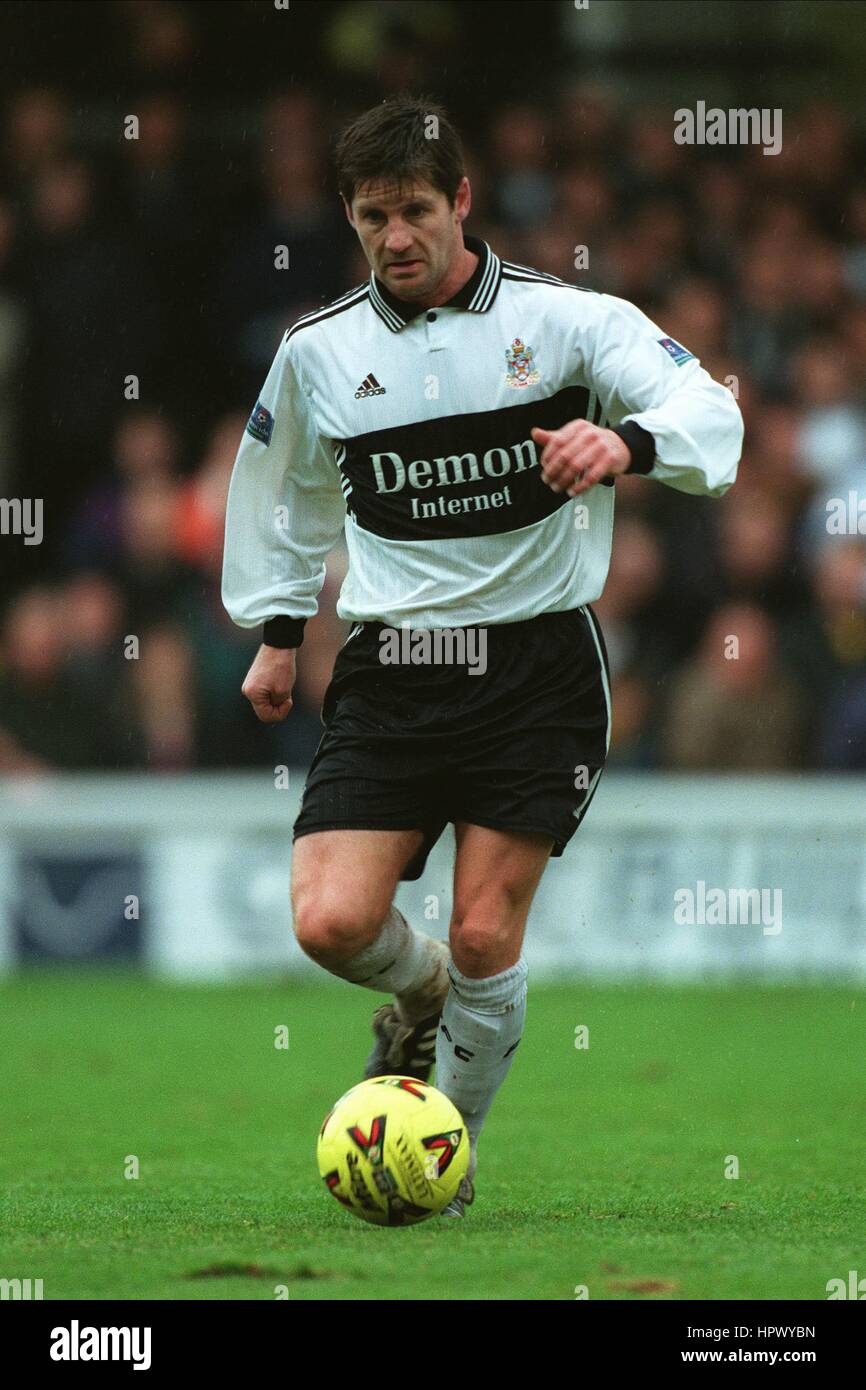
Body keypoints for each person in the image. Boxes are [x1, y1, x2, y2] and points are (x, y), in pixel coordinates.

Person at [221, 97, 743, 1218]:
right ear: (350, 219)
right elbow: (285, 494)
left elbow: (708, 409)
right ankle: (421, 1000)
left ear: (460, 200)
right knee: (328, 923)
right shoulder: (318, 352)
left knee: (482, 927)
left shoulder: (568, 323)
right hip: (391, 670)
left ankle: (437, 1163)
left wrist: (628, 442)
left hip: (536, 674)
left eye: (413, 209)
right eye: (371, 217)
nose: (394, 237)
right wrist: (275, 632)